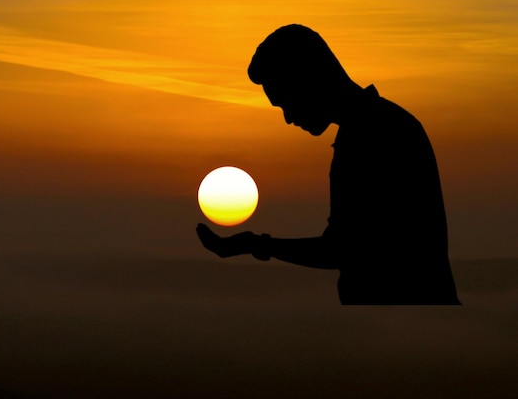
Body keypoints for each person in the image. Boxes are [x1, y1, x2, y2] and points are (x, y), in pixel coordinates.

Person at [196, 24, 461, 305]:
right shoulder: (376, 128)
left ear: (309, 81)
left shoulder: (374, 136)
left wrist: (256, 245)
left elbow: (343, 250)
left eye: (286, 101)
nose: (287, 118)